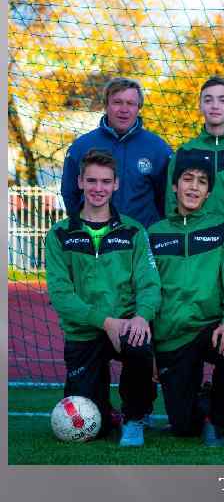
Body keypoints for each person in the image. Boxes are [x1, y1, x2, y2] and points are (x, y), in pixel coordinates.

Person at [46, 149, 161, 447]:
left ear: (116, 184)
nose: (99, 188)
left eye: (106, 181)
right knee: (90, 425)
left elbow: (149, 284)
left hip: (125, 324)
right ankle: (107, 412)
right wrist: (105, 322)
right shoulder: (59, 234)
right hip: (84, 331)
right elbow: (61, 296)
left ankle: (135, 417)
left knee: (139, 345)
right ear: (80, 182)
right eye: (92, 181)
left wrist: (141, 317)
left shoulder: (133, 231)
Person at [148, 155, 224, 447]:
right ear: (175, 186)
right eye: (188, 179)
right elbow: (146, 291)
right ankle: (202, 401)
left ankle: (216, 417)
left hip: (210, 328)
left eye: (202, 182)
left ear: (208, 192)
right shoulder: (153, 234)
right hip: (172, 337)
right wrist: (151, 349)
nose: (194, 187)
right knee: (183, 427)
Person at [61, 77, 172, 228]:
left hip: (142, 236)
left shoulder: (158, 149)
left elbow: (167, 199)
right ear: (106, 105)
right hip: (95, 237)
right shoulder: (81, 146)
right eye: (117, 102)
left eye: (131, 103)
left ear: (139, 108)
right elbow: (70, 194)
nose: (124, 109)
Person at [165, 76, 224, 222]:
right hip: (194, 235)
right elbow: (171, 205)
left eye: (222, 100)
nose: (215, 106)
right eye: (208, 100)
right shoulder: (184, 152)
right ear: (200, 106)